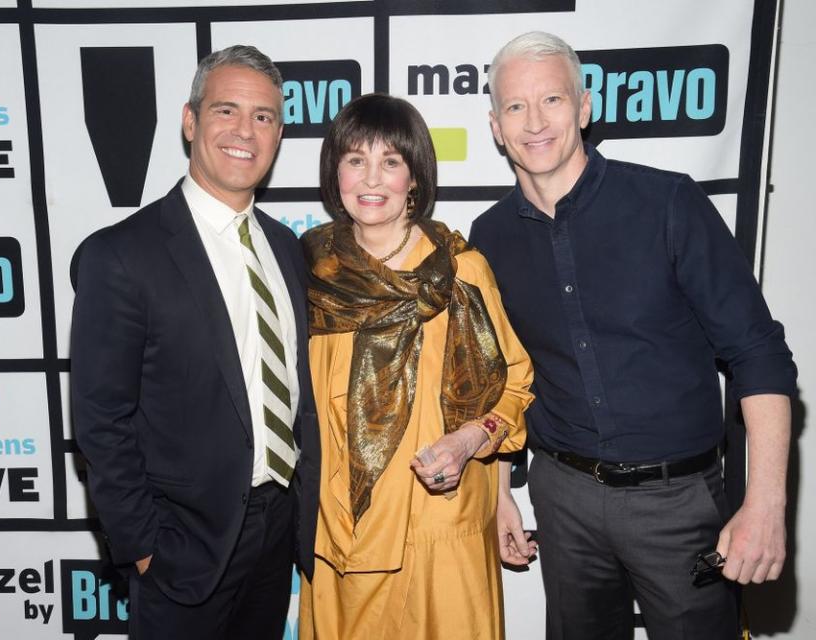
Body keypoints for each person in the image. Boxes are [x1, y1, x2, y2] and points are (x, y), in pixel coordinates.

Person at [470, 31, 797, 639]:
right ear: (495, 125)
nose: (535, 122)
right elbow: (500, 379)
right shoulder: (488, 237)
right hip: (561, 498)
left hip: (678, 504)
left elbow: (759, 355)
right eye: (515, 106)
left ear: (585, 107)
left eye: (553, 101)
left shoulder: (668, 203)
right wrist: (496, 493)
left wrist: (767, 503)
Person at [70, 45, 320, 640]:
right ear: (190, 121)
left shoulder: (287, 248)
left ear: (279, 132)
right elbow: (101, 418)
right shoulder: (122, 254)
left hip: (276, 533)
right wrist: (144, 546)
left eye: (263, 117)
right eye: (226, 110)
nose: (245, 131)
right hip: (181, 549)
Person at [297, 93, 535, 640]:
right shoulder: (308, 268)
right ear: (335, 175)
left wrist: (471, 440)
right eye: (355, 159)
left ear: (415, 178)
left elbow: (513, 386)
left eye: (390, 161)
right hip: (339, 532)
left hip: (438, 527)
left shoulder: (460, 272)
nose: (371, 178)